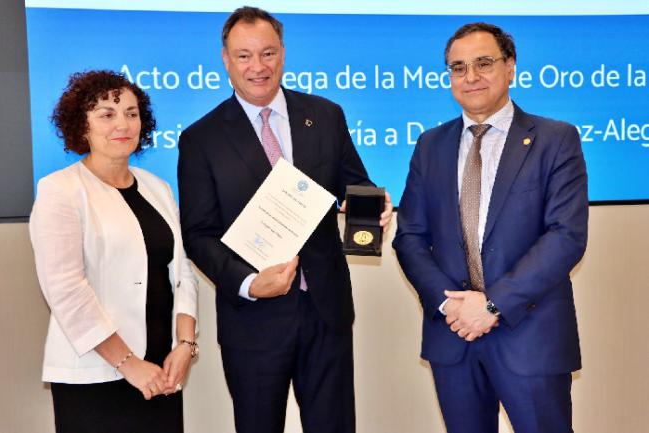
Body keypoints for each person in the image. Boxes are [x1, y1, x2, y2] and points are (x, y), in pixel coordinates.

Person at [177, 6, 392, 433]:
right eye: (244, 55)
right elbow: (199, 234)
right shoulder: (201, 139)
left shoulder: (326, 115)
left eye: (268, 53)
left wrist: (371, 202)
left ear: (283, 53)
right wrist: (249, 283)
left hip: (325, 312)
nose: (258, 66)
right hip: (253, 321)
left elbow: (353, 185)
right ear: (225, 59)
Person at [393, 23, 588, 433]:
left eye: (483, 63)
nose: (471, 77)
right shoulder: (430, 146)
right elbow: (409, 236)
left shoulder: (555, 139)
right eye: (458, 67)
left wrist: (492, 304)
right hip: (454, 335)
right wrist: (451, 306)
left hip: (530, 337)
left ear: (511, 67)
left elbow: (565, 236)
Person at [29, 70, 199, 433]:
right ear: (82, 126)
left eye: (131, 113)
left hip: (162, 371)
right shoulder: (60, 190)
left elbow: (181, 270)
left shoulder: (158, 187)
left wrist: (185, 345)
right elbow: (66, 291)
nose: (123, 123)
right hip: (97, 374)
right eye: (107, 114)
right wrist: (128, 364)